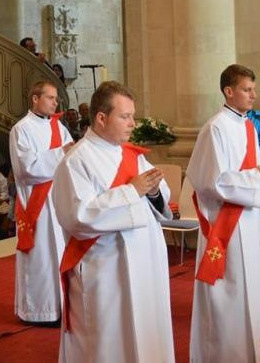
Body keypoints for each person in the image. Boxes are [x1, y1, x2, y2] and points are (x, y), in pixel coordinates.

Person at [53, 81, 174, 363]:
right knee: (110, 340)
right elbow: (78, 216)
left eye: (133, 116)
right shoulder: (76, 161)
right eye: (125, 116)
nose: (133, 123)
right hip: (107, 267)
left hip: (146, 260)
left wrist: (154, 191)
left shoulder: (131, 154)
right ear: (101, 118)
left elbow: (158, 194)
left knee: (147, 330)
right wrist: (131, 191)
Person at [187, 64, 260, 362]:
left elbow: (257, 164)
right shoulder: (215, 128)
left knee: (253, 285)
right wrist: (257, 177)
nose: (253, 95)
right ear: (229, 91)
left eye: (254, 89)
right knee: (229, 291)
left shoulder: (247, 126)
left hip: (249, 220)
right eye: (247, 89)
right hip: (225, 223)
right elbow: (210, 181)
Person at [9, 80, 73, 325]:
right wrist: (61, 153)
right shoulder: (21, 129)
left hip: (59, 201)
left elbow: (71, 158)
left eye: (56, 98)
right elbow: (26, 169)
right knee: (41, 260)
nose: (55, 102)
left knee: (61, 255)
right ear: (35, 99)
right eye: (50, 97)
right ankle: (38, 312)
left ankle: (62, 308)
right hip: (37, 207)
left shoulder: (59, 127)